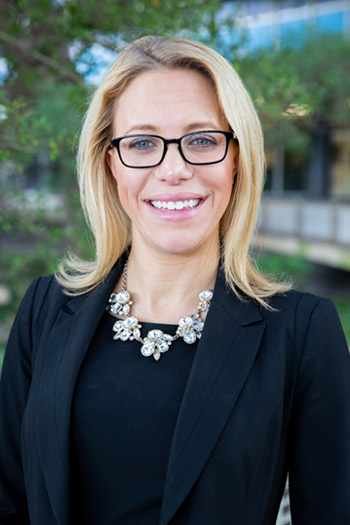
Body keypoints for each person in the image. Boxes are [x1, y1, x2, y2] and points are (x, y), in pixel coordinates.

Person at [0, 35, 349, 525]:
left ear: (236, 159)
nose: (174, 169)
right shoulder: (44, 310)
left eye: (202, 140)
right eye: (141, 143)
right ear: (110, 164)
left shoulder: (303, 331)